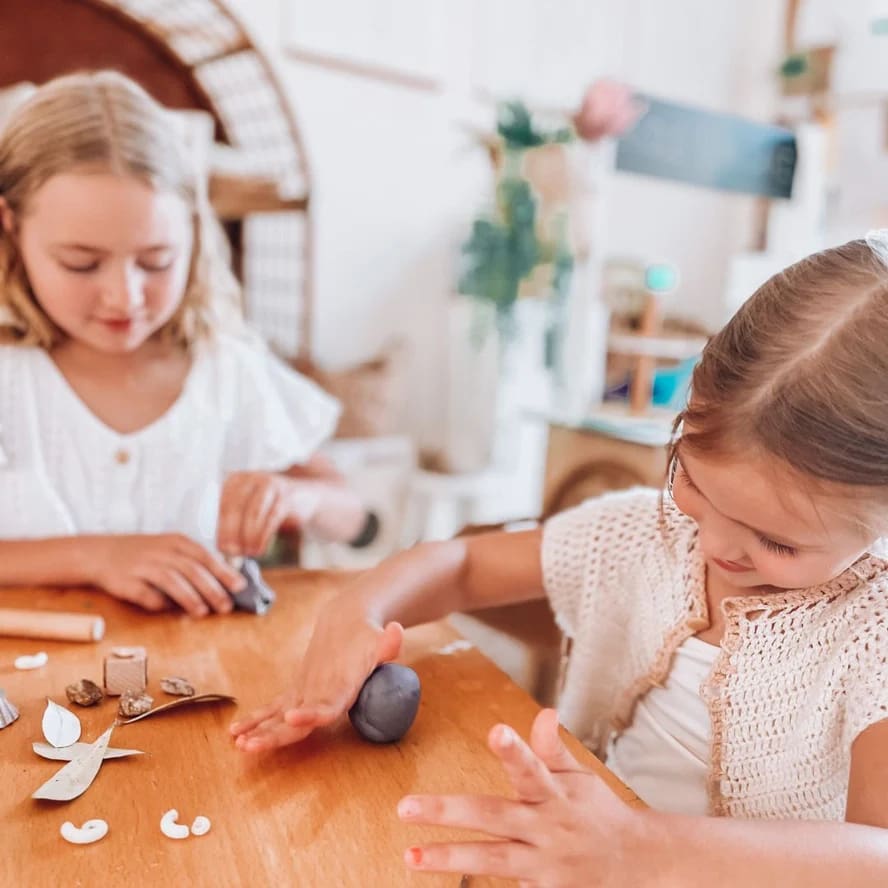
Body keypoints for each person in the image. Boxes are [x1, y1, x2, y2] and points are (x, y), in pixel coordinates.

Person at [232, 235, 888, 884]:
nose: (714, 545)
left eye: (777, 542)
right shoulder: (647, 533)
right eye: (690, 479)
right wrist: (359, 607)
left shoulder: (873, 636)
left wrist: (639, 848)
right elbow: (461, 565)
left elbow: (875, 855)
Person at [0, 70, 369, 616]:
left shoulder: (226, 370)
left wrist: (298, 498)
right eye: (82, 263)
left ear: (194, 234)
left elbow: (356, 518)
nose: (124, 299)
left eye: (156, 261)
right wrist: (96, 556)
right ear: (10, 228)